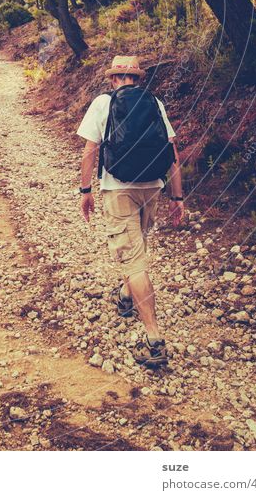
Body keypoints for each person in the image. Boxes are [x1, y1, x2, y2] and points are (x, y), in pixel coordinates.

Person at [77, 55, 184, 367]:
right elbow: (172, 153)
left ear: (114, 79)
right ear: (138, 79)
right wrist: (177, 197)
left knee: (134, 260)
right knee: (136, 245)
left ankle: (154, 338)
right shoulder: (155, 102)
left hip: (118, 187)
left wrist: (86, 191)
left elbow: (89, 153)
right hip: (153, 186)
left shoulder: (102, 103)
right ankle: (125, 294)